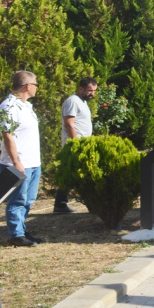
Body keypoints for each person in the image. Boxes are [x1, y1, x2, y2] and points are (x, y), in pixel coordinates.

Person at [0, 71, 43, 247]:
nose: (37, 88)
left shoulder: (26, 106)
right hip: (17, 163)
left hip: (33, 163)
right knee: (17, 200)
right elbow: (7, 135)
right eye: (36, 84)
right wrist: (17, 162)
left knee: (28, 199)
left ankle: (22, 230)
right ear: (28, 86)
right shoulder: (8, 106)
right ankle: (15, 234)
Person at [55, 77, 98, 214]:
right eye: (90, 90)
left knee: (71, 175)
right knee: (79, 174)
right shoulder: (73, 101)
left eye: (94, 91)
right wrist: (76, 144)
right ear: (81, 89)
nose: (92, 93)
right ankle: (91, 204)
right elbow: (69, 124)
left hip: (82, 144)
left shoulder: (82, 102)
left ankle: (60, 205)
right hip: (74, 145)